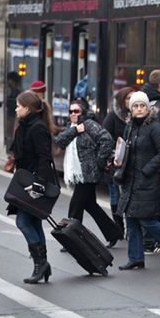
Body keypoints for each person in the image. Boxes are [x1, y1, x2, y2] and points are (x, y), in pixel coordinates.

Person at [116, 92, 160, 270]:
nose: (139, 109)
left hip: (147, 180)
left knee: (146, 219)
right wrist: (119, 160)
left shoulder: (154, 127)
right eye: (135, 106)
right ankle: (135, 258)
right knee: (131, 219)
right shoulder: (129, 127)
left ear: (147, 108)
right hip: (131, 179)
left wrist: (148, 169)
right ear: (131, 109)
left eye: (142, 106)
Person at [54, 99, 122, 248]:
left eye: (76, 111)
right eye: (70, 111)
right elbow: (59, 141)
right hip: (78, 173)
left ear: (83, 112)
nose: (73, 114)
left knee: (75, 206)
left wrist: (98, 161)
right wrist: (74, 130)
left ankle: (71, 239)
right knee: (90, 205)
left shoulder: (90, 125)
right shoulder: (71, 126)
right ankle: (114, 232)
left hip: (88, 174)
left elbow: (107, 140)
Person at [9, 90, 55, 283]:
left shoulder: (37, 128)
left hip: (34, 183)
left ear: (27, 108)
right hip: (25, 182)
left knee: (23, 222)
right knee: (34, 223)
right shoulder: (25, 126)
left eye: (18, 105)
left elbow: (45, 158)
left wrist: (38, 185)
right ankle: (42, 264)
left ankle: (40, 263)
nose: (16, 108)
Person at [102, 86, 136, 240]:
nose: (131, 101)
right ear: (122, 101)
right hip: (115, 163)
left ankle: (130, 229)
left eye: (133, 98)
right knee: (115, 196)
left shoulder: (139, 115)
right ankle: (118, 228)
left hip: (133, 164)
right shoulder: (112, 117)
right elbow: (105, 139)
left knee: (129, 197)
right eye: (128, 98)